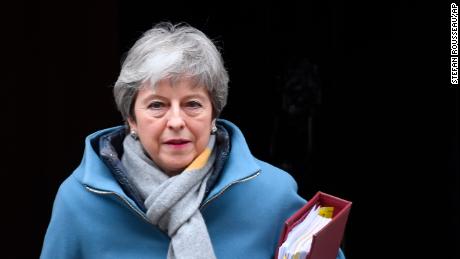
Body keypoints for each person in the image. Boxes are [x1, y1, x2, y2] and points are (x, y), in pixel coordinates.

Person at [40, 22, 345, 259]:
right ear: (130, 118)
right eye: (157, 105)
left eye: (192, 104)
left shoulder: (272, 194)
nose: (176, 121)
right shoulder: (80, 200)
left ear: (214, 113)